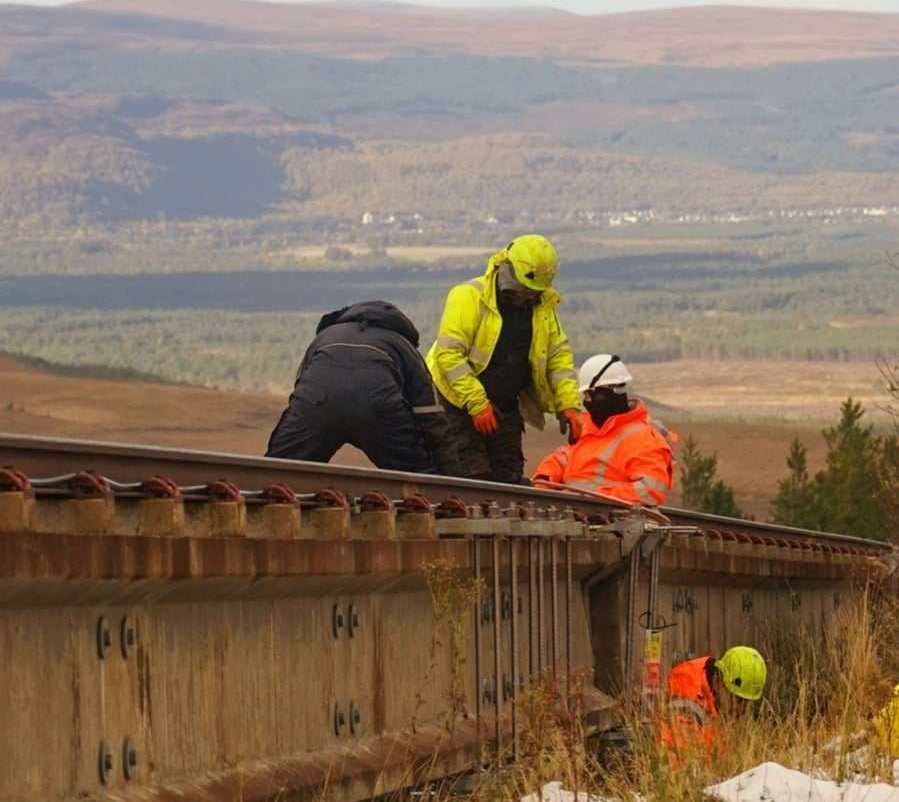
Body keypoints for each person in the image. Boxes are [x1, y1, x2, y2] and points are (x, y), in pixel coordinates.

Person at [426, 234, 581, 484]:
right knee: (471, 476)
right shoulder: (468, 296)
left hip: (504, 402)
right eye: (526, 290)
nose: (530, 297)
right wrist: (476, 403)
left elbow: (557, 358)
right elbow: (448, 355)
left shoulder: (541, 306)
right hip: (454, 401)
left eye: (535, 292)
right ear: (509, 270)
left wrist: (569, 405)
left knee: (508, 479)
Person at [266, 300, 457, 474]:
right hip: (379, 408)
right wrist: (450, 474)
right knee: (418, 480)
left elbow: (300, 390)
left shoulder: (324, 337)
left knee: (281, 474)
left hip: (317, 403)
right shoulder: (404, 346)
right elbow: (430, 414)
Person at [532, 354, 674, 505]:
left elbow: (649, 491)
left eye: (588, 395)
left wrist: (597, 497)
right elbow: (564, 457)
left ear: (607, 392)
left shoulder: (645, 439)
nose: (586, 402)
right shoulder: (589, 428)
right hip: (574, 516)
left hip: (612, 523)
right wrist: (544, 478)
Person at [660, 646, 768, 758]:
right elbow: (685, 763)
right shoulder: (687, 693)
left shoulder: (714, 686)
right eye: (738, 699)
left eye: (747, 702)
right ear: (718, 679)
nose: (741, 709)